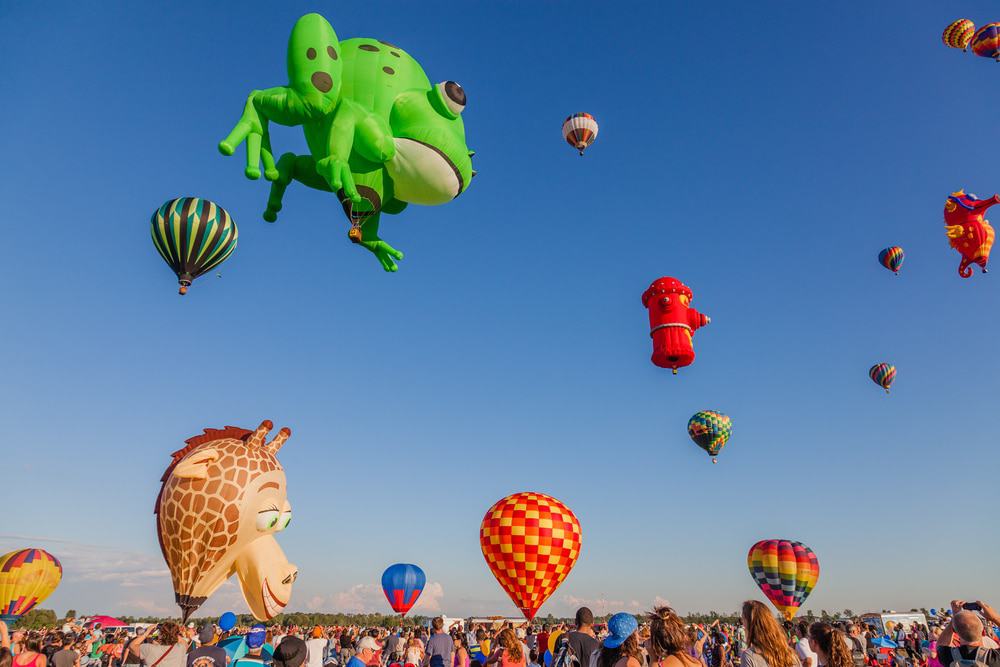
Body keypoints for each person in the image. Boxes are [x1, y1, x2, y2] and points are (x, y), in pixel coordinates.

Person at [936, 601, 1000, 667]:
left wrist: (955, 618)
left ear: (956, 632)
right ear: (983, 631)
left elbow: (941, 644)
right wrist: (995, 618)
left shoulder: (949, 656)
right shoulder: (993, 658)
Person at [740, 601, 799, 667]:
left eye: (743, 622)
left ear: (749, 626)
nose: (743, 627)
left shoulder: (749, 656)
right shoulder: (790, 654)